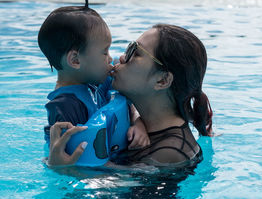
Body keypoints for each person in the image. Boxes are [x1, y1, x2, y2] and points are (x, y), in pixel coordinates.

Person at [48, 24, 213, 168]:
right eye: (129, 47)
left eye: (136, 53)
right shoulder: (147, 124)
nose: (121, 57)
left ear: (162, 80)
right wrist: (137, 120)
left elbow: (119, 194)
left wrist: (62, 168)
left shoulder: (170, 153)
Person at [38, 0, 149, 155]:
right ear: (75, 60)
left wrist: (138, 122)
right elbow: (80, 164)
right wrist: (130, 172)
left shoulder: (94, 81)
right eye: (104, 52)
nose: (110, 58)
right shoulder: (66, 108)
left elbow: (126, 100)